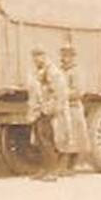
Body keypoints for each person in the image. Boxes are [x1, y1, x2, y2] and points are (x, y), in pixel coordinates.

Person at [26, 46, 70, 181]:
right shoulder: (40, 71)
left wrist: (50, 109)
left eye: (38, 56)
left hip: (49, 111)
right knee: (40, 141)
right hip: (40, 110)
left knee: (48, 141)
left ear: (44, 56)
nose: (35, 59)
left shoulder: (53, 72)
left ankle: (52, 171)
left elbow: (59, 93)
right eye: (34, 56)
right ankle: (45, 169)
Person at [57, 41, 91, 173]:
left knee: (75, 137)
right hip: (63, 107)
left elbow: (79, 91)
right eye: (63, 55)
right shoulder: (60, 71)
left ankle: (71, 166)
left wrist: (63, 94)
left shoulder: (76, 72)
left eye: (67, 55)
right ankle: (65, 166)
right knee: (64, 137)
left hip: (73, 107)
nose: (64, 58)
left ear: (72, 57)